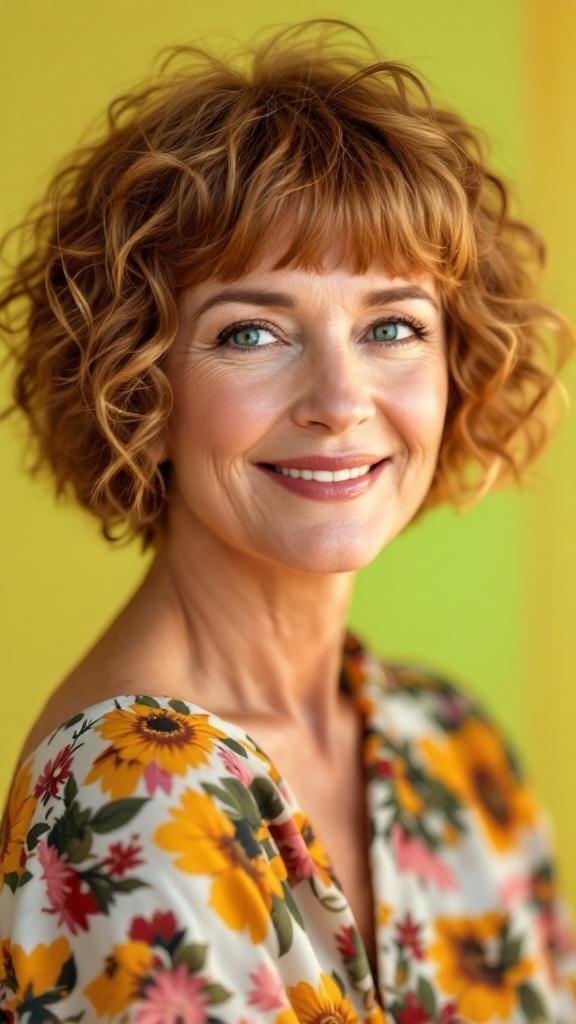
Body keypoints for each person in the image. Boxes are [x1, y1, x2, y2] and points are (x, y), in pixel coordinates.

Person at [0, 18, 575, 1024]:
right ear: (140, 382)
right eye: (252, 330)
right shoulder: (131, 788)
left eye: (392, 325)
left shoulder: (451, 745)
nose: (340, 398)